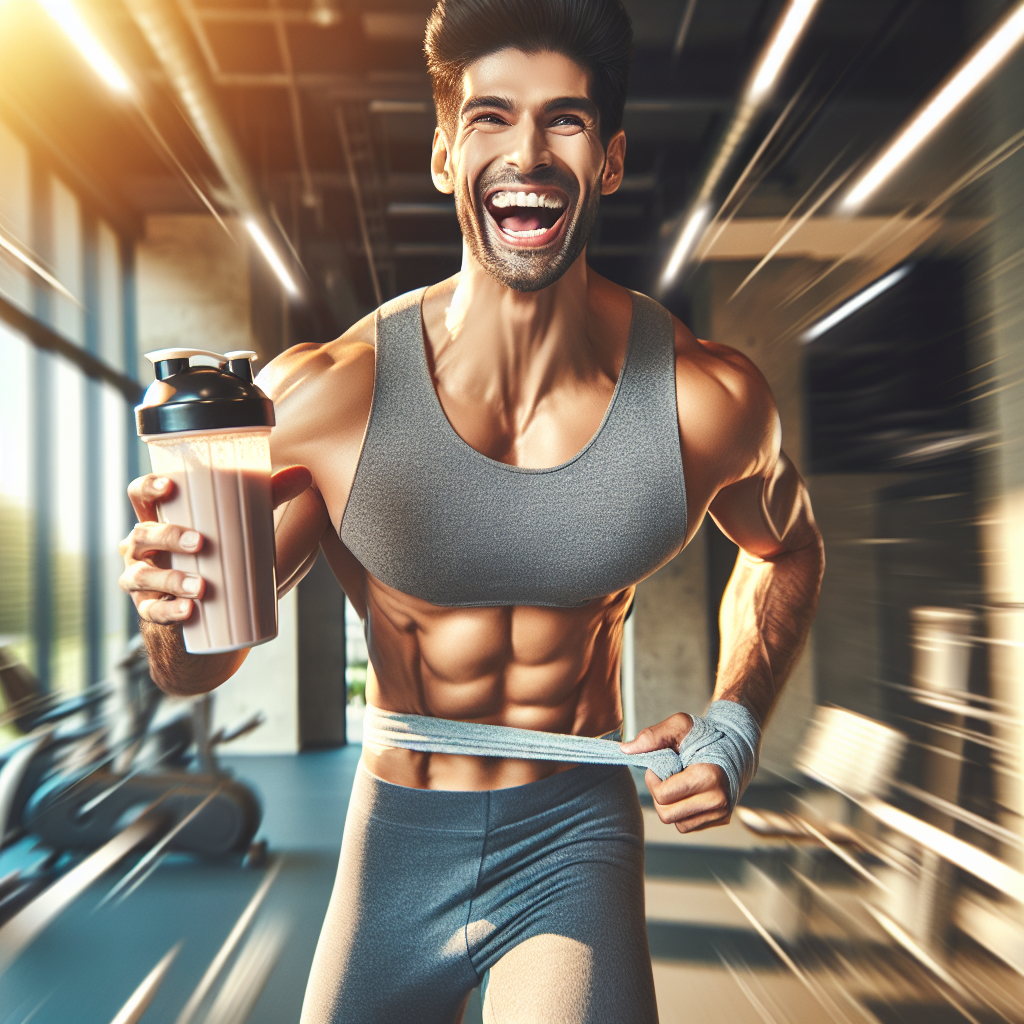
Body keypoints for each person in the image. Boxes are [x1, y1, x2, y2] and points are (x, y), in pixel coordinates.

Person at [119, 1, 824, 1020]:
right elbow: (196, 667)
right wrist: (166, 608)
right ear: (446, 154)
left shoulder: (703, 400)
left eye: (565, 121)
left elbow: (789, 549)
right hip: (397, 836)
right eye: (491, 117)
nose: (527, 154)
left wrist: (735, 723)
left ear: (611, 161)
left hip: (575, 833)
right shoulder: (328, 398)